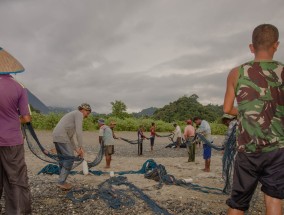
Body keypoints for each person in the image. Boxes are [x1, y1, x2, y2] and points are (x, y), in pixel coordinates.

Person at [223, 24, 284, 215]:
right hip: (278, 149)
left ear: (251, 47)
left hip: (247, 149)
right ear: (276, 45)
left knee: (237, 203)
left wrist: (245, 112)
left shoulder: (236, 73)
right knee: (274, 200)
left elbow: (227, 109)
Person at [0, 47, 32, 214]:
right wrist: (16, 117)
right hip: (12, 141)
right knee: (16, 179)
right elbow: (26, 118)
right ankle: (17, 211)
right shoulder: (19, 86)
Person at [53, 103, 91, 190]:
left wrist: (77, 149)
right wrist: (81, 147)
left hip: (56, 136)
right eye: (87, 113)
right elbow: (79, 132)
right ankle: (61, 182)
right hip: (62, 136)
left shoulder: (72, 115)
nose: (87, 116)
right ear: (83, 110)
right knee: (69, 158)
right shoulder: (78, 113)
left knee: (62, 159)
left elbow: (70, 138)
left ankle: (61, 180)